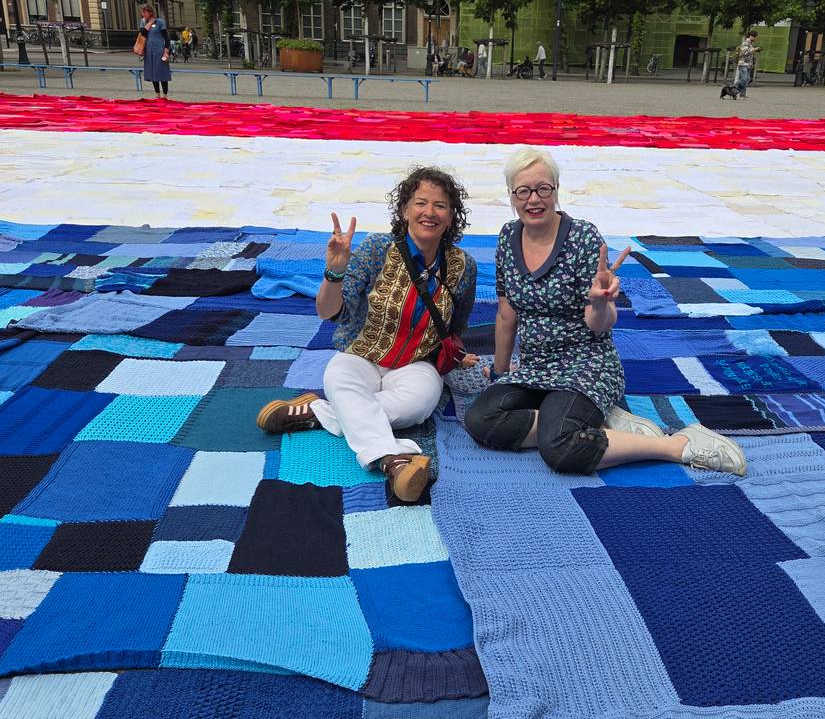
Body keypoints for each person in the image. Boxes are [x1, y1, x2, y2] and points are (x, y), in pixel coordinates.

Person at [463, 148, 747, 477]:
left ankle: (678, 444)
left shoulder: (583, 238)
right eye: (523, 191)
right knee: (479, 419)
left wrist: (600, 302)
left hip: (586, 363)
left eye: (543, 188)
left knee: (559, 448)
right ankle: (591, 423)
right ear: (511, 196)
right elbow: (506, 312)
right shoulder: (507, 237)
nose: (534, 199)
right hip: (536, 368)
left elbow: (600, 326)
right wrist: (501, 374)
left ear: (556, 189)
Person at [257, 168, 479, 502]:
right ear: (404, 210)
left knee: (419, 404)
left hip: (415, 365)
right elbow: (329, 312)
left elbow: (455, 325)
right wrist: (334, 272)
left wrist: (457, 357)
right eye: (421, 202)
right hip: (360, 356)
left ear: (451, 217)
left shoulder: (464, 266)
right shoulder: (376, 249)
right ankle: (393, 461)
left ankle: (321, 411)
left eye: (441, 205)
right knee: (338, 376)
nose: (429, 212)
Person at [139, 6, 172, 99]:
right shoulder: (143, 22)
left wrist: (166, 51)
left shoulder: (160, 22)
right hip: (149, 51)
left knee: (162, 72)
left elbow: (166, 38)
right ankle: (157, 94)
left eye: (145, 13)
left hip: (159, 51)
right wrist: (149, 23)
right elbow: (143, 33)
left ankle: (165, 95)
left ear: (150, 13)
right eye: (143, 13)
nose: (143, 15)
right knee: (153, 73)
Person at [734, 29, 761, 98]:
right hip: (743, 64)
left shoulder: (750, 44)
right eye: (755, 37)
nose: (756, 38)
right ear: (751, 36)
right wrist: (754, 49)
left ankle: (742, 94)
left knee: (747, 79)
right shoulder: (745, 43)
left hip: (748, 64)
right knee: (744, 79)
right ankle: (733, 87)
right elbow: (744, 53)